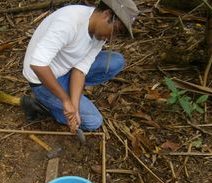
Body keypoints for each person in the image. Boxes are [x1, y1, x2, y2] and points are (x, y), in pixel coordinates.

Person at [21, 0, 139, 132]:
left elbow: (81, 69)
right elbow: (38, 65)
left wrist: (75, 106)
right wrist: (65, 100)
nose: (112, 38)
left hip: (66, 69)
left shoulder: (99, 33)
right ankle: (42, 106)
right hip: (42, 79)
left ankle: (67, 96)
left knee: (116, 61)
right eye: (115, 31)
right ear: (106, 15)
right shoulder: (69, 22)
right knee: (93, 121)